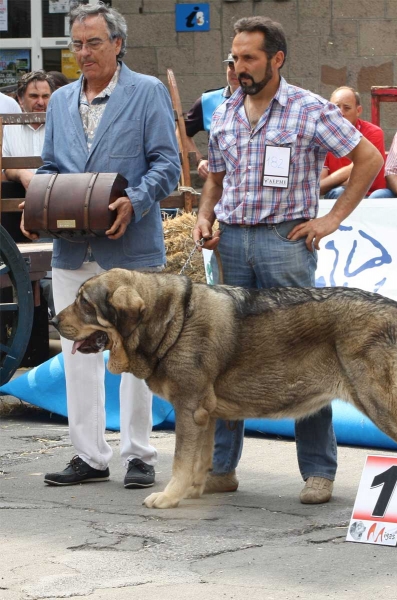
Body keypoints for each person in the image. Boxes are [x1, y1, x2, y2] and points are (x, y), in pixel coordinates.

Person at [193, 16, 384, 504]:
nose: (239, 68)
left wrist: (332, 219)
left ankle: (318, 473)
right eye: (235, 58)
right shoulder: (224, 111)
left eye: (249, 58)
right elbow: (215, 176)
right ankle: (221, 467)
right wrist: (204, 216)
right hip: (232, 244)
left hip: (284, 244)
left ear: (277, 59)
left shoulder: (310, 109)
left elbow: (368, 160)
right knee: (225, 356)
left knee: (305, 355)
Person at [19, 2, 181, 488]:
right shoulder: (64, 99)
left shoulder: (147, 91)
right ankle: (89, 456)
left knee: (135, 351)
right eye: (77, 45)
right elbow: (49, 166)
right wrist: (37, 201)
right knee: (75, 351)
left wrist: (135, 199)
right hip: (72, 249)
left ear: (117, 43)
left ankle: (139, 455)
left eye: (93, 43)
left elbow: (167, 164)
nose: (84, 53)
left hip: (129, 251)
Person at [319, 86, 386, 199]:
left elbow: (363, 167)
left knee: (378, 197)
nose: (341, 113)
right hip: (339, 193)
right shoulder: (322, 136)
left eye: (347, 108)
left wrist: (331, 183)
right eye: (336, 107)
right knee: (340, 192)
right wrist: (343, 181)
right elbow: (320, 185)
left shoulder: (374, 133)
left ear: (358, 111)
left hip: (371, 194)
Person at [185, 53, 240, 179]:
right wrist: (200, 160)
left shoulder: (263, 101)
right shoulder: (208, 100)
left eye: (238, 65)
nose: (234, 71)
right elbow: (181, 132)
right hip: (219, 184)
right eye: (231, 65)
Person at [2, 71, 55, 189]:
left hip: (55, 198)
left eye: (45, 96)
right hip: (18, 199)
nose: (41, 102)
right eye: (34, 96)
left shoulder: (61, 127)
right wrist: (20, 173)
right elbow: (6, 168)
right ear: (20, 100)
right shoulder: (10, 128)